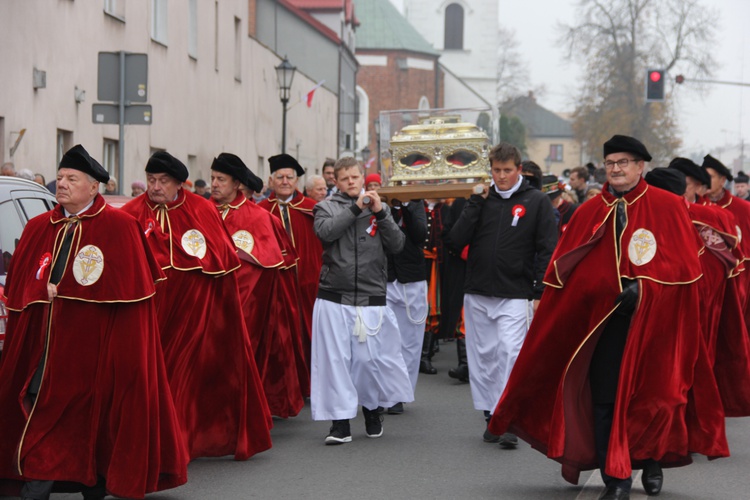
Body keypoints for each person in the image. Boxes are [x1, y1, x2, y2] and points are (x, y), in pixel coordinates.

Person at [490, 135, 729, 500]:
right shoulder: (588, 211)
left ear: (640, 166)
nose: (616, 169)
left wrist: (644, 291)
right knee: (603, 399)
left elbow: (685, 271)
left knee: (655, 400)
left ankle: (650, 462)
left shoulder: (667, 206)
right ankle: (614, 476)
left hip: (654, 325)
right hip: (603, 326)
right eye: (611, 163)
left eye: (624, 162)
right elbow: (566, 271)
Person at [0, 145, 187, 500]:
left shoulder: (120, 228)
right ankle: (36, 486)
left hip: (96, 356)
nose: (62, 184)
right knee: (41, 418)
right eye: (59, 178)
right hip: (46, 353)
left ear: (93, 187)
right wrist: (43, 289)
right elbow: (23, 280)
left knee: (95, 428)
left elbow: (133, 301)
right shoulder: (39, 226)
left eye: (72, 179)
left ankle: (92, 484)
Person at [120, 151, 272, 461]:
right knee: (150, 378)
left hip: (194, 312)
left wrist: (223, 318)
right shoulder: (131, 213)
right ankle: (158, 442)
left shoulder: (202, 209)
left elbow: (224, 265)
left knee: (183, 379)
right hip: (150, 314)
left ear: (178, 183)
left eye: (163, 181)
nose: (156, 187)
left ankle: (178, 443)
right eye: (151, 180)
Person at [447, 142, 557, 448]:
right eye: (496, 170)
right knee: (484, 358)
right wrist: (474, 204)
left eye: (507, 171)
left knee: (509, 353)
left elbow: (547, 249)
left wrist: (540, 290)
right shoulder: (482, 200)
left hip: (515, 292)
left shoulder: (537, 202)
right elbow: (455, 241)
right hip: (479, 290)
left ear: (519, 170)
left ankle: (509, 420)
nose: (501, 177)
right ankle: (491, 415)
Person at [311, 157, 413, 444]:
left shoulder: (379, 208)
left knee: (369, 360)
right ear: (336, 182)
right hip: (334, 295)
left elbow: (397, 245)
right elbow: (325, 233)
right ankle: (340, 423)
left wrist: (380, 213)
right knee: (335, 361)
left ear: (362, 177)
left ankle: (371, 410)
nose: (351, 182)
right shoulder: (325, 207)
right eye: (345, 179)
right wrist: (356, 208)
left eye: (355, 177)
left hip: (370, 296)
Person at [210, 152, 305, 418]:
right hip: (207, 303)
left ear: (236, 184)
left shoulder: (259, 217)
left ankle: (242, 411)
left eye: (221, 179)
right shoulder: (200, 211)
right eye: (213, 178)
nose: (215, 184)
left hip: (249, 305)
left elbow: (274, 267)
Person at [259, 153, 323, 373]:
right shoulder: (261, 211)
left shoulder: (313, 209)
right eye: (279, 177)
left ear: (297, 182)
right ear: (271, 181)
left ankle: (311, 380)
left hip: (308, 283)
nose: (284, 182)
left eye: (289, 177)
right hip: (275, 285)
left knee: (311, 332)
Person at [383, 191, 428, 414]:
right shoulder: (382, 204)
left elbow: (420, 235)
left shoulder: (417, 205)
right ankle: (385, 391)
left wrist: (407, 207)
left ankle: (401, 393)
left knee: (410, 342)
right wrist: (391, 207)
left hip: (412, 279)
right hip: (387, 278)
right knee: (385, 340)